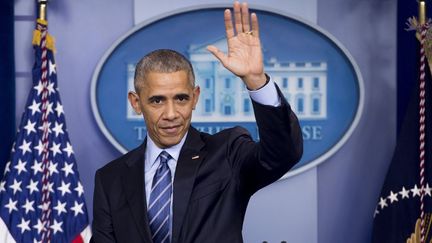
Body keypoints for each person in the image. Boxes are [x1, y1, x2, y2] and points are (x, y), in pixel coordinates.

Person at [91, 2, 303, 243]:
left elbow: (284, 154)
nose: (171, 113)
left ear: (195, 97)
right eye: (157, 101)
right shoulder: (110, 179)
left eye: (180, 98)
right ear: (136, 103)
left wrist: (256, 81)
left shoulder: (227, 153)